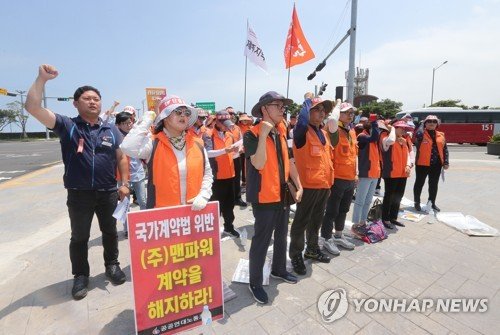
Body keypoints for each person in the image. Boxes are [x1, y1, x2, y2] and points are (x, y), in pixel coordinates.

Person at [24, 64, 129, 300]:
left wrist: (124, 183)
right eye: (86, 98)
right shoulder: (67, 126)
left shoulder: (111, 130)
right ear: (76, 103)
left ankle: (112, 265)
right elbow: (32, 107)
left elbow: (121, 157)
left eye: (96, 99)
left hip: (108, 192)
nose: (92, 102)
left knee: (110, 231)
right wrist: (41, 80)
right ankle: (80, 275)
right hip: (79, 194)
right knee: (79, 237)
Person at [244, 91, 303, 304]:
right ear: (264, 109)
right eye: (277, 106)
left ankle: (279, 269)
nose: (282, 110)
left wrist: (298, 183)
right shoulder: (251, 133)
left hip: (282, 194)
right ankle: (255, 283)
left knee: (281, 235)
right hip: (264, 196)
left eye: (282, 106)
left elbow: (290, 160)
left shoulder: (282, 129)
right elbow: (258, 163)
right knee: (261, 241)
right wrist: (262, 135)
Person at [120, 95, 213, 211]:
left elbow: (207, 173)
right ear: (165, 117)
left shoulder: (198, 143)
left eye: (187, 112)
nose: (183, 115)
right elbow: (127, 147)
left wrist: (204, 194)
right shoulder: (152, 144)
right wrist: (147, 119)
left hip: (194, 212)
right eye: (178, 111)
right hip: (163, 216)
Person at [289, 94, 335, 275]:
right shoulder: (301, 132)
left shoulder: (323, 133)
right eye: (318, 109)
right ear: (308, 112)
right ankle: (296, 255)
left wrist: (329, 184)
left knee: (316, 220)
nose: (322, 113)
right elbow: (300, 121)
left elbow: (327, 160)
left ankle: (312, 248)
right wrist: (308, 102)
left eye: (324, 110)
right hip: (307, 185)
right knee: (301, 221)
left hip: (323, 185)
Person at [321, 102, 357, 256]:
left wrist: (356, 174)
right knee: (331, 211)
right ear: (339, 114)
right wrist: (336, 106)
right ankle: (326, 238)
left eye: (352, 112)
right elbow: (332, 121)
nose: (350, 115)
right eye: (346, 112)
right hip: (336, 178)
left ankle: (338, 235)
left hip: (349, 178)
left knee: (344, 210)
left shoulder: (351, 131)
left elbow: (354, 155)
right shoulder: (332, 129)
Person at [203, 110, 240, 237]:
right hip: (216, 177)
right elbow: (208, 153)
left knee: (229, 206)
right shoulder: (208, 135)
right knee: (215, 207)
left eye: (227, 123)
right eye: (223, 123)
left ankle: (229, 227)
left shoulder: (230, 135)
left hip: (230, 175)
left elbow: (233, 155)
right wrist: (225, 150)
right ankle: (212, 231)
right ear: (217, 122)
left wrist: (237, 151)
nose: (226, 126)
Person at [115, 112, 147, 238]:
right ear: (118, 125)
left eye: (130, 122)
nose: (128, 125)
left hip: (138, 172)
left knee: (143, 201)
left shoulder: (136, 135)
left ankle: (145, 225)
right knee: (125, 203)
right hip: (123, 176)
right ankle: (127, 228)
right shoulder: (116, 137)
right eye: (125, 123)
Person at [379, 120, 414, 229]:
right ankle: (385, 219)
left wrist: (408, 165)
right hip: (391, 172)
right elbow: (390, 141)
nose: (403, 130)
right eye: (401, 128)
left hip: (402, 173)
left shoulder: (405, 140)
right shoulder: (385, 137)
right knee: (389, 196)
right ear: (394, 128)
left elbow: (408, 154)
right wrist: (392, 130)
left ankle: (393, 217)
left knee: (398, 196)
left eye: (404, 129)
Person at [351, 114, 381, 233]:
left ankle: (363, 222)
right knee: (360, 201)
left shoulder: (372, 139)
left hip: (374, 174)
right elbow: (374, 137)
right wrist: (374, 122)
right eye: (376, 129)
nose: (378, 132)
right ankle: (356, 224)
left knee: (368, 201)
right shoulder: (362, 136)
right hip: (365, 174)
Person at [413, 115, 449, 212]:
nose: (432, 123)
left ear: (437, 124)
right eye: (429, 121)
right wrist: (421, 124)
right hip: (422, 164)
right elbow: (418, 134)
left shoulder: (441, 135)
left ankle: (431, 202)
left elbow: (445, 149)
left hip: (436, 164)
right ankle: (417, 202)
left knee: (433, 184)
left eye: (434, 121)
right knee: (419, 183)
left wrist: (446, 162)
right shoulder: (421, 133)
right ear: (425, 123)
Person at [226, 107, 247, 207]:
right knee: (227, 179)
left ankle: (237, 198)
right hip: (226, 158)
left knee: (237, 177)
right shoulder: (223, 128)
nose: (232, 115)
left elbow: (241, 140)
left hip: (237, 156)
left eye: (233, 113)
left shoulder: (237, 128)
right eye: (230, 113)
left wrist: (241, 148)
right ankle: (228, 199)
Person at [237, 113, 253, 188]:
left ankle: (248, 180)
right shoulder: (238, 127)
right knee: (242, 165)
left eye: (246, 120)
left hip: (249, 148)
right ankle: (243, 181)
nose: (245, 121)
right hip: (240, 149)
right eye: (243, 120)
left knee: (249, 165)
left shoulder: (250, 127)